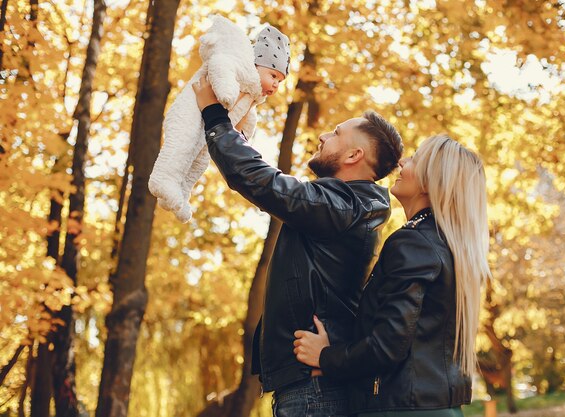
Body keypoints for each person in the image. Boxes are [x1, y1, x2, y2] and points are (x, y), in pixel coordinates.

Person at [192, 75, 404, 416]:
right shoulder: (344, 206)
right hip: (311, 383)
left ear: (354, 154)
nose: (323, 135)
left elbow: (263, 183)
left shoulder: (342, 206)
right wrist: (237, 133)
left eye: (336, 133)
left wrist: (214, 115)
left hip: (314, 387)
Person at [293, 134, 492, 416]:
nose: (402, 161)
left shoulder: (413, 243)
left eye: (415, 159)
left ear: (432, 180)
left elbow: (388, 344)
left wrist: (326, 357)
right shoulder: (448, 247)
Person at [149, 16, 290, 222]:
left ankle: (181, 191)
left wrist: (242, 137)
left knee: (200, 160)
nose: (276, 84)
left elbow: (247, 120)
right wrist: (227, 90)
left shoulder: (252, 95)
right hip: (190, 112)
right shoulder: (243, 69)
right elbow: (219, 63)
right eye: (273, 76)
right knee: (182, 143)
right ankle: (162, 180)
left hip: (208, 129)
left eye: (281, 81)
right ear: (257, 65)